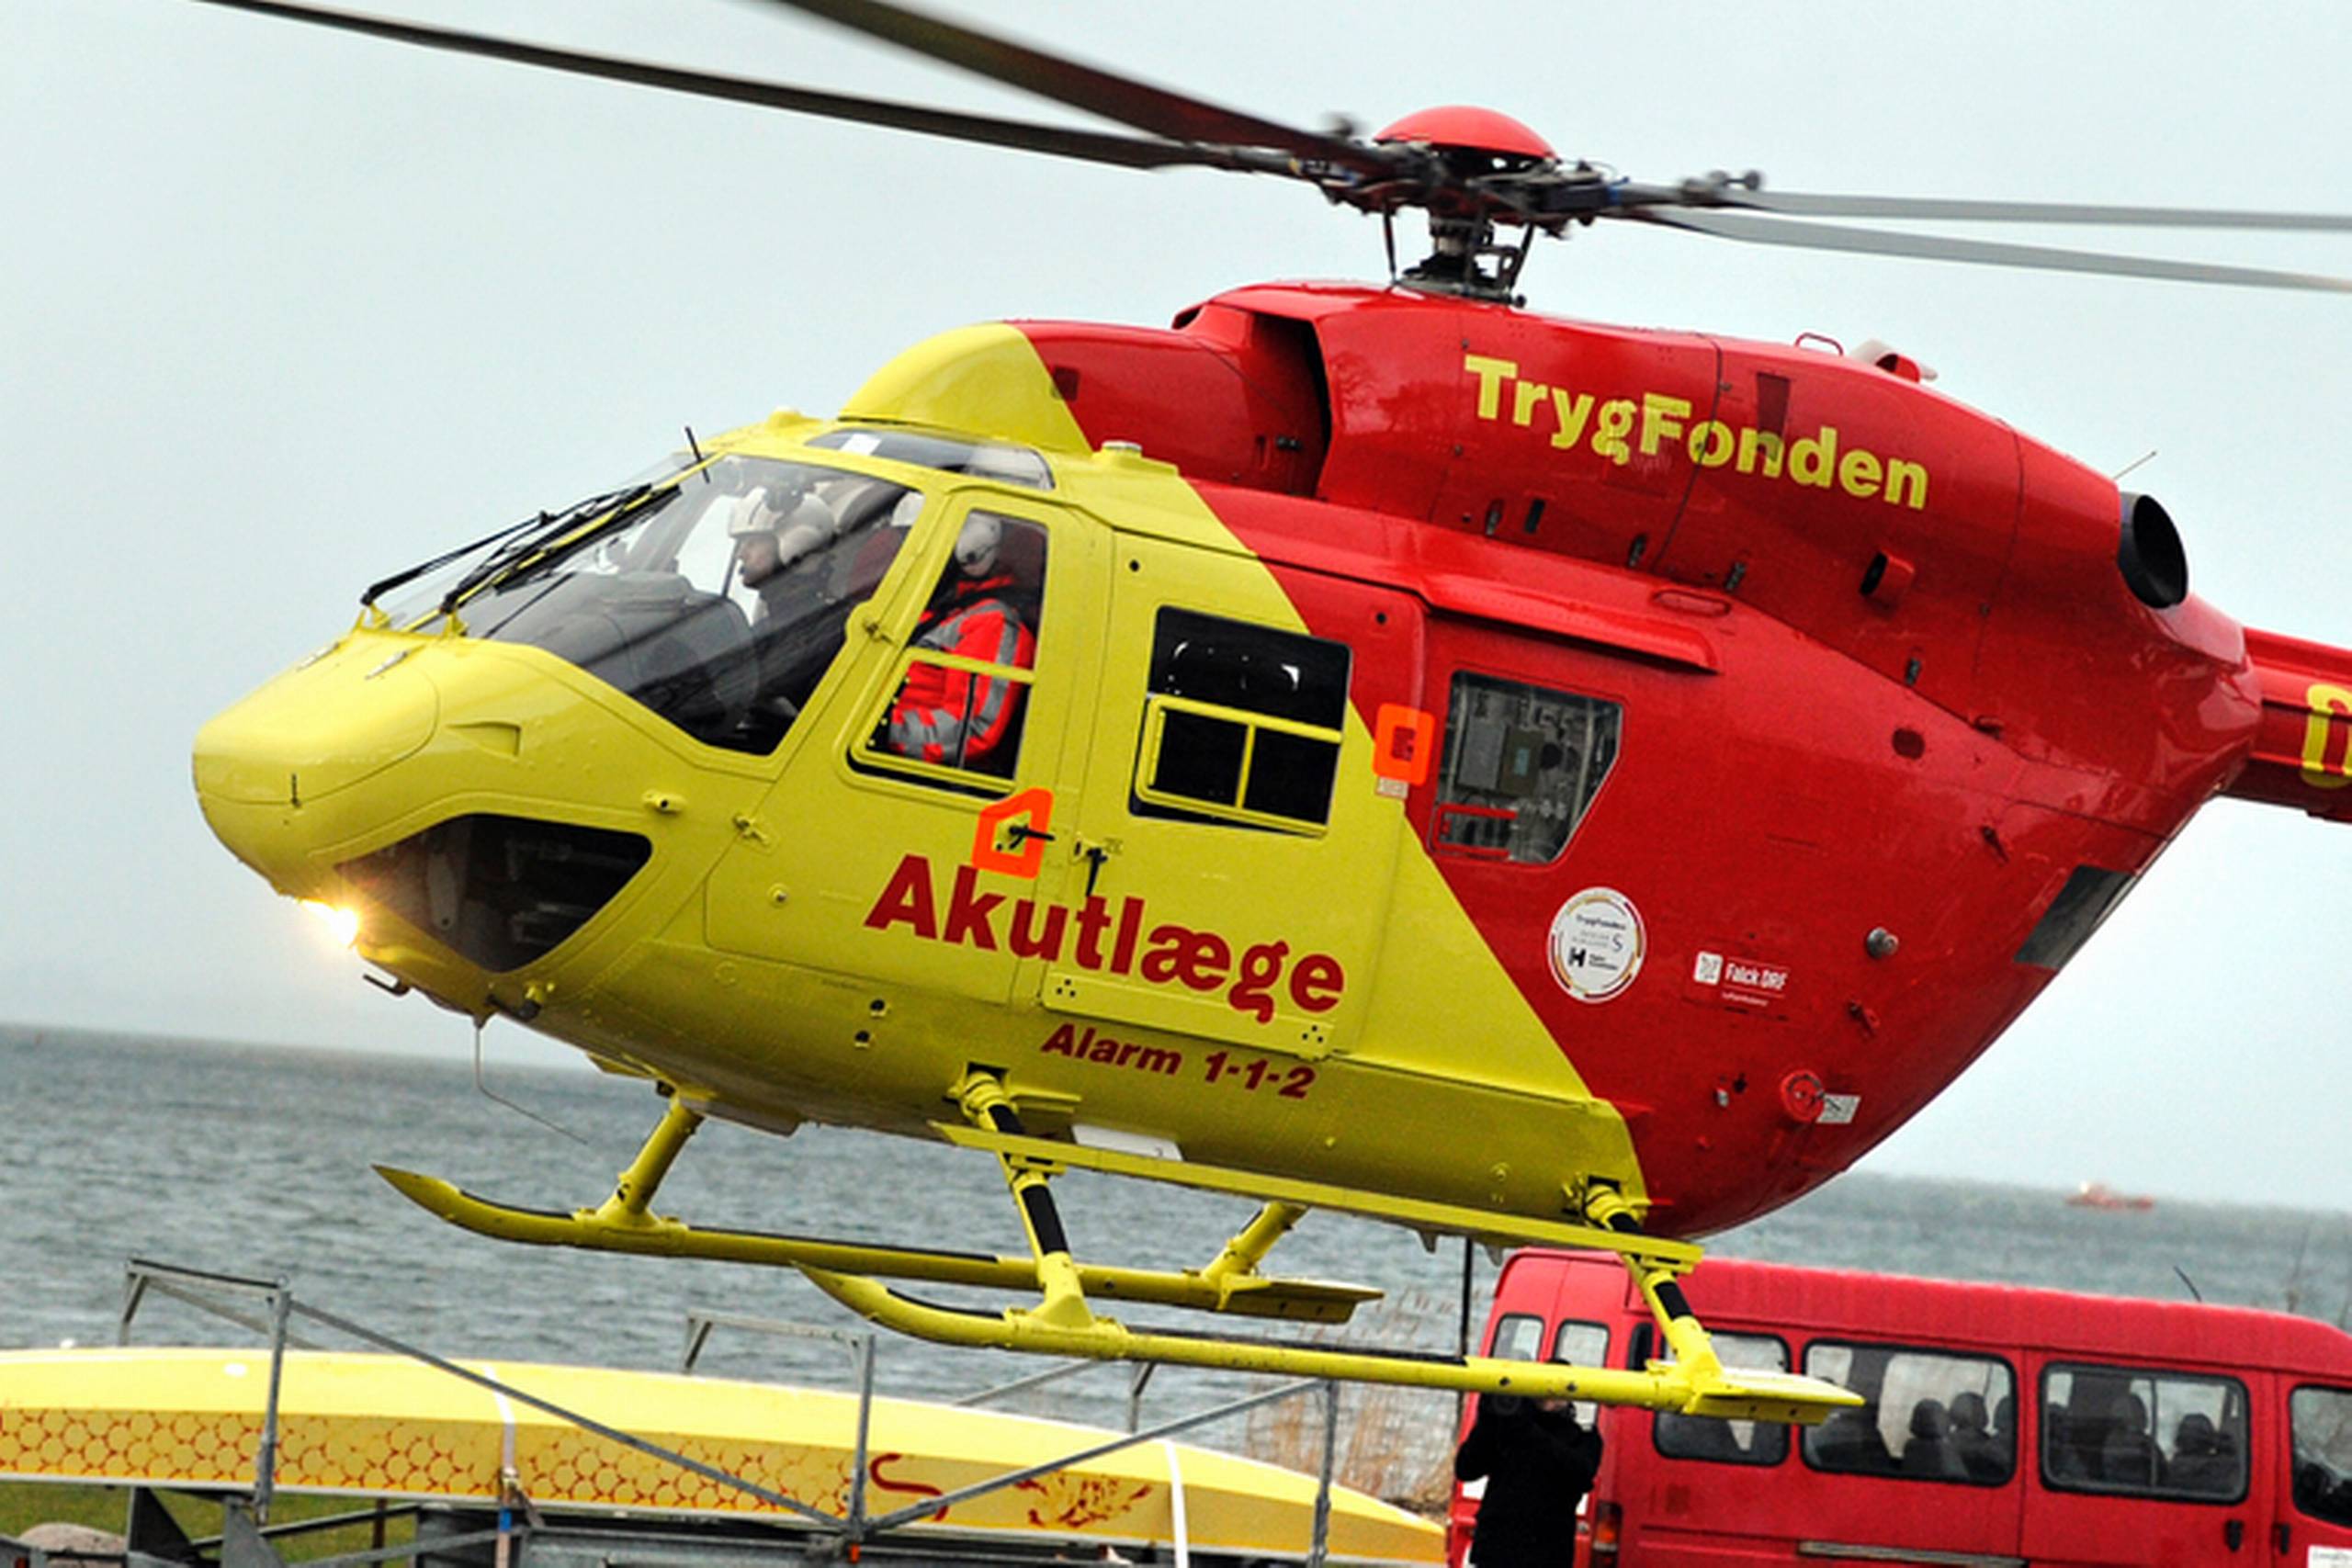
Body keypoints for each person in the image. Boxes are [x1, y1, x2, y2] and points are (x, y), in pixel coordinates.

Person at [885, 513, 1036, 771]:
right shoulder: (941, 607)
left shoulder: (992, 624)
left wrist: (882, 730)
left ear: (969, 554)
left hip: (909, 771)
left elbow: (971, 729)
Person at [1453, 1394, 1603, 1568]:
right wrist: (1489, 1418)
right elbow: (1466, 1469)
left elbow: (1580, 1473)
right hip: (1496, 1549)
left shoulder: (1581, 1438)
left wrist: (1526, 1430)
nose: (1549, 1397)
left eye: (1556, 1392)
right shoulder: (1510, 1429)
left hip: (1546, 1553)